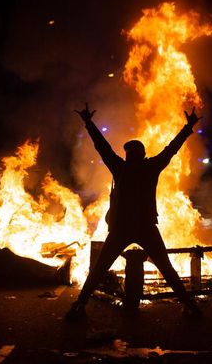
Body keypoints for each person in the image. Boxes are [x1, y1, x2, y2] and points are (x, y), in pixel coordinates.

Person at [66, 103, 203, 320]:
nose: (127, 155)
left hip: (123, 227)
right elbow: (172, 148)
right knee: (166, 268)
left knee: (100, 268)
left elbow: (102, 147)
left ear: (131, 155)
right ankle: (189, 305)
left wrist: (89, 123)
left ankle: (79, 305)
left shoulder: (120, 167)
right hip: (145, 226)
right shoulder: (152, 167)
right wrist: (188, 127)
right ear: (143, 154)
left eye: (128, 152)